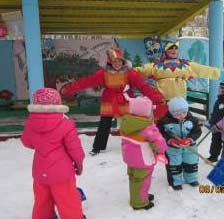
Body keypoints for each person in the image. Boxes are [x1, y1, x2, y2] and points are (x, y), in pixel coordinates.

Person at [61, 47, 164, 156]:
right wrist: (69, 89)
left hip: (126, 100)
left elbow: (143, 86)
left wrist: (157, 97)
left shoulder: (130, 73)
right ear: (110, 62)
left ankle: (133, 145)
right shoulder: (103, 73)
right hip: (109, 101)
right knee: (104, 124)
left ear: (123, 62)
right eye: (114, 61)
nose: (117, 64)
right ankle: (98, 147)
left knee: (130, 123)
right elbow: (86, 82)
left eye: (119, 61)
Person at [21, 88, 86, 219]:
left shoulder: (31, 123)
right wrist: (79, 164)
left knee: (42, 200)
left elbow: (27, 142)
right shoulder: (66, 124)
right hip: (62, 172)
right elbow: (75, 150)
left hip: (40, 171)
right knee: (68, 200)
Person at [120, 95, 167, 210]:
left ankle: (140, 196)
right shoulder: (147, 127)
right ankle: (140, 202)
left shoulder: (126, 122)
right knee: (143, 180)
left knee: (134, 179)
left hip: (130, 158)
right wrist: (161, 151)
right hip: (143, 159)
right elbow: (159, 142)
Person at [136, 41, 220, 100]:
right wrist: (126, 70)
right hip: (162, 100)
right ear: (166, 51)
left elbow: (201, 69)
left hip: (180, 101)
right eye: (171, 48)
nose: (174, 50)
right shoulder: (156, 65)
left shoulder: (185, 64)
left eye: (176, 48)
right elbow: (141, 70)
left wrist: (219, 73)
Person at [157, 97, 202, 190]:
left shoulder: (192, 120)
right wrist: (170, 140)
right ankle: (175, 182)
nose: (181, 116)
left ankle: (191, 179)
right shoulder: (164, 121)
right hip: (172, 149)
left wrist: (190, 139)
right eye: (177, 114)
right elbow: (160, 133)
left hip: (190, 147)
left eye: (184, 113)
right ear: (171, 112)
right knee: (174, 165)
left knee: (191, 162)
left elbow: (197, 132)